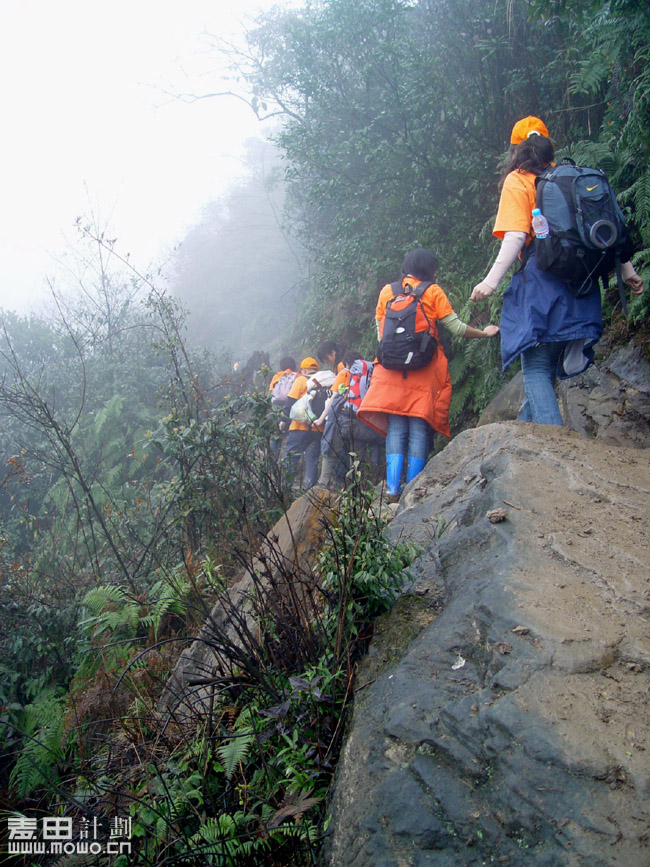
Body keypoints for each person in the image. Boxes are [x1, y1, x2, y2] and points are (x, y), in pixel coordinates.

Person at [470, 115, 644, 424]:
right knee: (546, 369)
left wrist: (490, 282)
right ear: (549, 146)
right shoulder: (568, 177)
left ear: (515, 150)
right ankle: (523, 440)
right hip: (583, 287)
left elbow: (517, 236)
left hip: (543, 284)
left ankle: (555, 442)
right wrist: (627, 270)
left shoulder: (518, 180)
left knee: (535, 367)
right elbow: (602, 229)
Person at [358, 248, 500, 498]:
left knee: (396, 427)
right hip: (424, 369)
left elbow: (381, 334)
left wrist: (399, 355)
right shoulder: (432, 291)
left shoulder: (387, 291)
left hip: (390, 371)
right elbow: (455, 328)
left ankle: (392, 488)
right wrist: (483, 333)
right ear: (428, 270)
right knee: (420, 426)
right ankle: (414, 490)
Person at [316, 350, 384, 489]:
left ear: (347, 363)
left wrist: (323, 417)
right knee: (357, 459)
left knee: (331, 454)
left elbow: (334, 398)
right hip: (361, 423)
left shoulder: (345, 373)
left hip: (344, 420)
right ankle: (358, 491)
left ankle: (323, 485)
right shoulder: (370, 374)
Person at [283, 356, 324, 491]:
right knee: (312, 460)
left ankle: (286, 490)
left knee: (292, 459)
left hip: (299, 428)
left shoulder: (300, 380)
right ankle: (309, 492)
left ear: (303, 370)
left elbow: (289, 404)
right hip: (317, 429)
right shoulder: (323, 382)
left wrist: (283, 421)